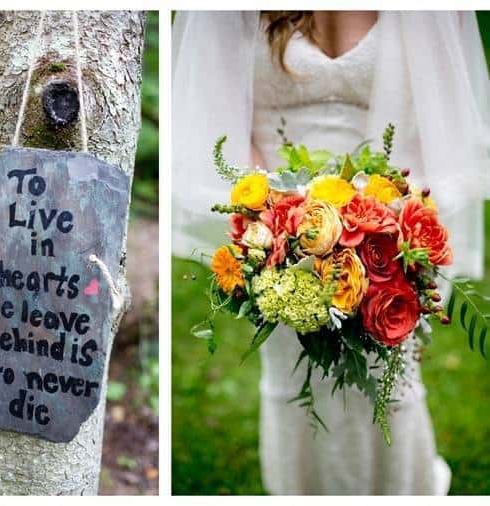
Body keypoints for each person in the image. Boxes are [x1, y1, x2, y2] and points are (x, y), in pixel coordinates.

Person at [172, 11, 490, 494]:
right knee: (292, 380)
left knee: (392, 381)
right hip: (281, 231)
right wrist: (282, 228)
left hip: (390, 229)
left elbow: (442, 126)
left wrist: (384, 229)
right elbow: (218, 124)